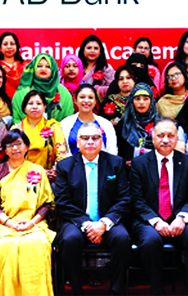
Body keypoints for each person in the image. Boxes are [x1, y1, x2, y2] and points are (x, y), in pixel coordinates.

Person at [130, 118, 188, 296]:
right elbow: (136, 199)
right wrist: (156, 221)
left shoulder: (187, 162)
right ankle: (158, 290)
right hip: (148, 219)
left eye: (170, 136)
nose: (165, 140)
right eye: (161, 135)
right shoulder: (139, 163)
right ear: (153, 137)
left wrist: (182, 218)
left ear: (177, 139)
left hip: (179, 218)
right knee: (150, 241)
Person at [54, 122, 131, 296]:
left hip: (107, 219)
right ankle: (76, 290)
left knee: (122, 238)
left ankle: (116, 291)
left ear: (101, 141)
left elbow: (124, 199)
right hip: (77, 220)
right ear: (78, 142)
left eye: (95, 138)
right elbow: (63, 202)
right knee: (69, 239)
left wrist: (103, 223)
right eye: (85, 138)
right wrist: (87, 224)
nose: (90, 142)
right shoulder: (65, 166)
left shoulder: (115, 163)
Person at [0, 130, 55, 296]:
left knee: (38, 244)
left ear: (27, 147)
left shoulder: (38, 171)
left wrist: (31, 223)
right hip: (5, 223)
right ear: (4, 150)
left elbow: (46, 204)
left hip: (35, 223)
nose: (15, 148)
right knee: (3, 247)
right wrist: (11, 224)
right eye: (10, 145)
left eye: (19, 144)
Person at [13, 90, 69, 181]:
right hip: (22, 175)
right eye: (30, 103)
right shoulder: (17, 129)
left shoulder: (53, 127)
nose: (35, 106)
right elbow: (12, 156)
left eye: (39, 103)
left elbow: (61, 153)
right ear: (24, 108)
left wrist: (53, 171)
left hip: (49, 177)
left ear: (44, 107)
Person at [12, 53, 73, 124]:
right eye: (39, 66)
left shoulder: (63, 92)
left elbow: (68, 121)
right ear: (34, 68)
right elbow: (17, 120)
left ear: (53, 70)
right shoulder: (22, 93)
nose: (43, 69)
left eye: (48, 67)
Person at [61, 84, 118, 155]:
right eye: (82, 97)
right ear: (75, 100)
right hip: (71, 165)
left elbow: (112, 151)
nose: (86, 101)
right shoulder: (65, 124)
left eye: (90, 97)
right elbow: (62, 152)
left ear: (95, 102)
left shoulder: (106, 124)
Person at [116, 83, 158, 162]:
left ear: (151, 101)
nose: (141, 102)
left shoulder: (160, 124)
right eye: (137, 99)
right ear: (132, 101)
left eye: (145, 99)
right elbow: (119, 153)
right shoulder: (124, 125)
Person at [78, 35, 115, 100]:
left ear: (100, 52)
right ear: (83, 50)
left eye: (96, 48)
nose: (92, 51)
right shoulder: (76, 66)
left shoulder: (106, 69)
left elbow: (113, 89)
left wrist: (97, 89)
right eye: (89, 48)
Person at [0, 31, 25, 98]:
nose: (9, 47)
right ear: (0, 48)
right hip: (1, 103)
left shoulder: (25, 66)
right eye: (5, 44)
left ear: (17, 46)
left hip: (22, 102)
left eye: (12, 44)